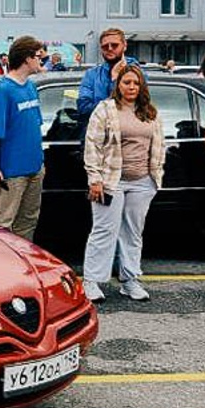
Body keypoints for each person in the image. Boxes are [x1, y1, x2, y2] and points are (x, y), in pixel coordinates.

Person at [80, 64, 164, 303]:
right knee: (104, 230)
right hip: (110, 181)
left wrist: (155, 177)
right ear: (118, 85)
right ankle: (92, 281)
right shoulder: (105, 109)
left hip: (142, 182)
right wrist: (94, 179)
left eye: (136, 83)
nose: (131, 87)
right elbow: (93, 145)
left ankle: (130, 280)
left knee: (133, 233)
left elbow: (159, 145)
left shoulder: (150, 112)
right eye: (127, 82)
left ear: (141, 86)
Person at [0, 36, 47, 241]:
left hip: (35, 168)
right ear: (26, 58)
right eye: (39, 56)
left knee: (28, 220)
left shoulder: (30, 87)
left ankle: (23, 266)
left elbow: (35, 125)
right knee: (3, 224)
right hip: (13, 172)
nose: (42, 60)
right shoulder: (3, 91)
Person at [77, 27, 138, 127]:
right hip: (97, 135)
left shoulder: (137, 73)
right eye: (105, 46)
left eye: (114, 45)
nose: (109, 49)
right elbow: (83, 109)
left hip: (128, 136)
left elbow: (132, 108)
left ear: (125, 46)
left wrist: (115, 80)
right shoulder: (91, 75)